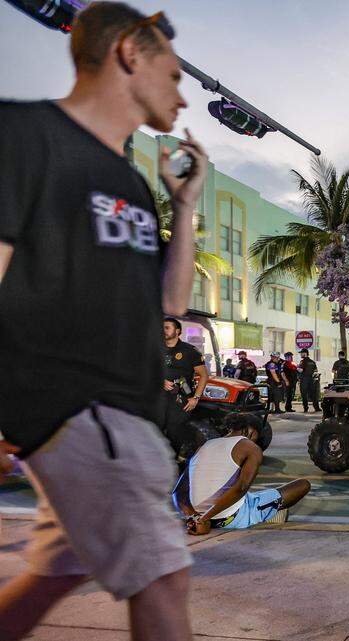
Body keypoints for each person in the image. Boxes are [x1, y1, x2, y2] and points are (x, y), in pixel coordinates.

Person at [0, 4, 205, 638]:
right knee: (165, 579)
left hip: (126, 412)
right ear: (129, 55)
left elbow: (169, 305)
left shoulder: (133, 183)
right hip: (80, 408)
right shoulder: (25, 134)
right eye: (173, 76)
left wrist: (186, 207)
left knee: (50, 578)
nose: (182, 98)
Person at [174, 413, 310, 533]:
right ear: (251, 432)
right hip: (230, 518)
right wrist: (204, 520)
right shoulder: (251, 447)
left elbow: (178, 492)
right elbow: (242, 487)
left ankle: (267, 509)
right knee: (303, 485)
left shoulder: (205, 445)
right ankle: (267, 513)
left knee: (251, 496)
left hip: (198, 514)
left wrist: (193, 517)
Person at [160, 317, 208, 460]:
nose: (164, 330)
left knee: (175, 432)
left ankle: (174, 461)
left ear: (178, 331)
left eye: (167, 327)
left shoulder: (189, 351)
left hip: (181, 397)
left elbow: (204, 376)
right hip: (158, 398)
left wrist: (196, 398)